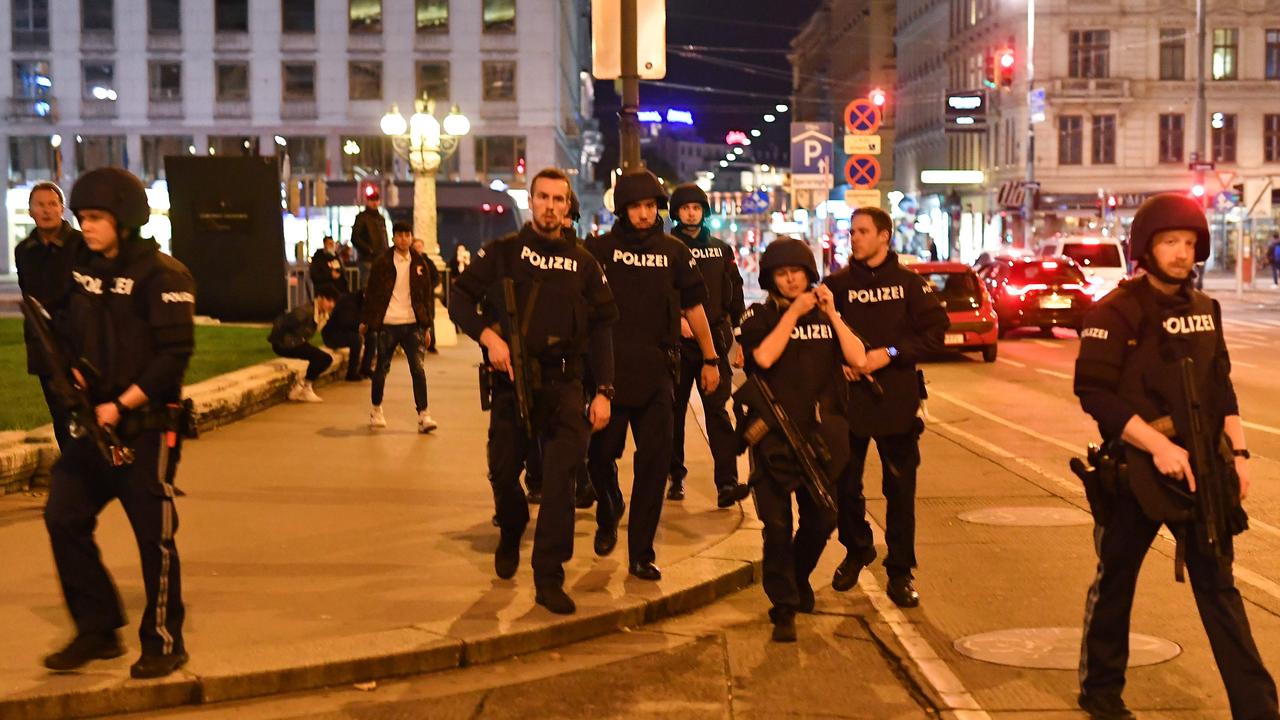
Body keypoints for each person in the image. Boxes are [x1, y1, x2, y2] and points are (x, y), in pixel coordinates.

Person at [1072, 193, 1277, 720]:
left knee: (1221, 593)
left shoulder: (1206, 309)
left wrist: (1239, 453)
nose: (1182, 253)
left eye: (1189, 243)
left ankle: (1257, 708)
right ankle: (1101, 691)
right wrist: (1157, 445)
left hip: (1203, 470)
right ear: (1146, 247)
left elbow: (1221, 386)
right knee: (1117, 581)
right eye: (1170, 242)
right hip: (1139, 468)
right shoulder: (1115, 311)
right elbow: (1094, 393)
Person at [41, 167, 195, 678]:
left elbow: (174, 356)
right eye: (82, 217)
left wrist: (122, 404)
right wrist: (81, 375)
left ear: (124, 220)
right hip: (95, 425)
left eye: (97, 218)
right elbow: (73, 330)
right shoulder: (83, 268)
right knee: (63, 515)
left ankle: (164, 640)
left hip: (147, 427)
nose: (86, 227)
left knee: (155, 538)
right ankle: (98, 627)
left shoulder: (163, 274)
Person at [450, 167, 618, 615]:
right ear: (531, 200)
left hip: (565, 385)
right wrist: (489, 338)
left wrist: (603, 391)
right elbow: (460, 299)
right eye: (542, 197)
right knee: (504, 472)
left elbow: (603, 329)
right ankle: (512, 525)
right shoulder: (504, 253)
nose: (549, 206)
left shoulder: (584, 264)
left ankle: (549, 576)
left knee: (562, 480)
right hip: (512, 383)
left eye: (558, 199)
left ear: (567, 207)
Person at [585, 170, 720, 582]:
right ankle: (609, 509)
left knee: (653, 467)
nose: (644, 214)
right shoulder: (599, 250)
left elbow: (695, 307)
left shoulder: (675, 251)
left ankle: (641, 552)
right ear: (622, 210)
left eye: (650, 207)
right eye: (636, 207)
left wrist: (712, 358)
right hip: (608, 373)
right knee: (599, 457)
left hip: (658, 372)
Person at [736, 237, 866, 642]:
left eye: (797, 272)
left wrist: (833, 314)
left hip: (821, 439)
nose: (791, 279)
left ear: (809, 273)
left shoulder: (827, 316)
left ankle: (796, 576)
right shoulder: (759, 316)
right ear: (771, 278)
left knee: (822, 518)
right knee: (776, 526)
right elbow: (763, 358)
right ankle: (784, 608)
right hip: (774, 438)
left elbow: (858, 358)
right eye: (782, 273)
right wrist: (793, 312)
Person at [823, 206, 949, 608]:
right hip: (848, 401)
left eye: (862, 231)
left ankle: (900, 570)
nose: (854, 237)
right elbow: (819, 337)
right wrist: (839, 364)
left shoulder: (911, 285)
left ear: (884, 236)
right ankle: (857, 546)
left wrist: (888, 354)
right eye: (852, 231)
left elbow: (935, 335)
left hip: (895, 399)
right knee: (844, 484)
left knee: (899, 489)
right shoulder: (837, 286)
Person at [666, 183, 748, 507]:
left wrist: (740, 338)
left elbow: (736, 292)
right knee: (673, 415)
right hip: (677, 343)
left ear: (704, 211)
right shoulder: (667, 246)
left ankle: (727, 483)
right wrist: (677, 320)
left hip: (714, 339)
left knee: (718, 412)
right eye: (685, 207)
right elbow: (659, 293)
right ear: (676, 212)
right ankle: (675, 476)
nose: (691, 212)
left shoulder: (720, 249)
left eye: (696, 207)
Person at [14, 181, 84, 451]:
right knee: (59, 412)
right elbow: (28, 293)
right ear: (30, 211)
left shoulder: (80, 245)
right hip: (43, 342)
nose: (46, 210)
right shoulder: (25, 250)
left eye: (52, 204)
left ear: (62, 209)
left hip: (77, 341)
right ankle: (74, 472)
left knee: (85, 409)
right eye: (39, 205)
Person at [362, 223, 437, 433]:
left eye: (407, 235)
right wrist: (366, 321)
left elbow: (426, 296)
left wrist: (427, 327)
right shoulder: (383, 262)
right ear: (394, 237)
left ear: (411, 237)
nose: (403, 239)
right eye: (399, 235)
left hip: (412, 323)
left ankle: (424, 414)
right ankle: (376, 409)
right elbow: (372, 292)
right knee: (381, 369)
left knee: (418, 368)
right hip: (388, 323)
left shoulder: (420, 262)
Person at [269, 286, 340, 402]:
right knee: (322, 358)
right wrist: (280, 341)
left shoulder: (322, 314)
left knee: (324, 358)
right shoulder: (306, 311)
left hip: (296, 342)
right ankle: (304, 387)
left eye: (334, 302)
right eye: (329, 300)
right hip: (285, 345)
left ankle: (302, 387)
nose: (331, 305)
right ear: (320, 298)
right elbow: (282, 322)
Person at [350, 187, 388, 376]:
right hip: (368, 260)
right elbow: (355, 237)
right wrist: (369, 250)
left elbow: (384, 239)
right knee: (368, 291)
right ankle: (368, 317)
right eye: (372, 199)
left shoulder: (379, 218)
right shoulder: (362, 218)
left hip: (379, 260)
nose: (374, 202)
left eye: (376, 199)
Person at [320, 289, 366, 382]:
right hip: (332, 335)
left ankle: (365, 369)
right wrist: (359, 326)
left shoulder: (362, 303)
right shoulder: (349, 303)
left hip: (344, 332)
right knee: (356, 340)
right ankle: (351, 373)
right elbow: (345, 322)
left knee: (371, 337)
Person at [410, 237, 442, 355]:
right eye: (416, 246)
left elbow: (436, 278)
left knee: (429, 319)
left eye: (420, 246)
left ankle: (431, 345)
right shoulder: (410, 261)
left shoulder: (428, 262)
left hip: (427, 297)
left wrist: (429, 288)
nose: (418, 249)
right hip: (414, 295)